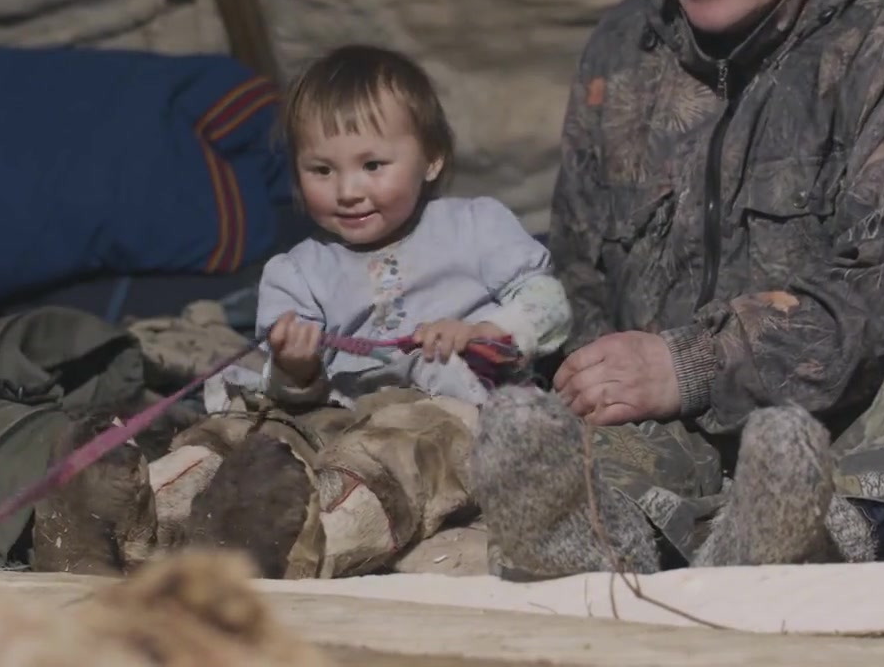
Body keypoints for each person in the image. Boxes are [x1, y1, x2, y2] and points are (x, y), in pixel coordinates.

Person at [470, 0, 884, 579]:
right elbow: (580, 265)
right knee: (586, 433)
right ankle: (607, 540)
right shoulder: (625, 47)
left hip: (860, 413)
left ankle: (818, 543)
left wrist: (694, 363)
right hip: (671, 421)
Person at [141, 44, 573, 579]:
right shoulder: (298, 271)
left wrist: (484, 330)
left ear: (431, 158)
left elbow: (548, 305)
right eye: (321, 170)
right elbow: (283, 385)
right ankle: (143, 511)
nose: (348, 191)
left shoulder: (476, 227)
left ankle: (304, 544)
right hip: (336, 414)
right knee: (251, 435)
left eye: (373, 165)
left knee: (401, 450)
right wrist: (295, 365)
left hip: (449, 414)